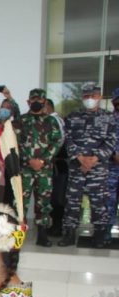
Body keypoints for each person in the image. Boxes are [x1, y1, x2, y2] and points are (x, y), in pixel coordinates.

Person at [58, 82, 118, 248]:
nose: (89, 99)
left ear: (99, 96)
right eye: (86, 96)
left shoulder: (109, 118)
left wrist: (94, 159)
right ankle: (69, 234)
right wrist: (80, 158)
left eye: (93, 95)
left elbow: (111, 141)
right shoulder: (72, 117)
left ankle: (99, 235)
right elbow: (68, 139)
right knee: (72, 202)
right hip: (77, 167)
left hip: (98, 168)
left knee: (99, 201)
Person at [18, 89, 62, 247]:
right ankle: (19, 236)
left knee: (44, 203)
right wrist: (29, 160)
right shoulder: (21, 120)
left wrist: (42, 160)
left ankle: (42, 235)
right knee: (21, 203)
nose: (36, 102)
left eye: (40, 99)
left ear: (44, 102)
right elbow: (16, 143)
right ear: (29, 101)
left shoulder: (51, 121)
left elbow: (57, 142)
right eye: (33, 99)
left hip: (45, 170)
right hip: (25, 169)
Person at [46, 99, 69, 237]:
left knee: (58, 197)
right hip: (53, 164)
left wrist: (50, 155)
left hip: (58, 164)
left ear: (48, 106)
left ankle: (58, 227)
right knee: (53, 197)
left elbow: (59, 141)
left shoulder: (55, 120)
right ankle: (55, 226)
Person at [106, 88, 119, 243]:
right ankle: (106, 232)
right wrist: (114, 153)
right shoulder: (108, 119)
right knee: (109, 202)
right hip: (111, 168)